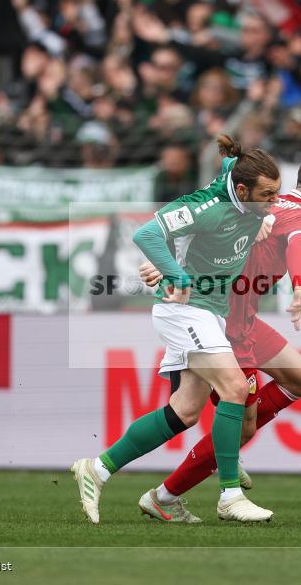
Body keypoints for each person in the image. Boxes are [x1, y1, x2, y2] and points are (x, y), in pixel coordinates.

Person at [136, 144, 301, 522]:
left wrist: (172, 262)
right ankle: (166, 495)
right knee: (240, 423)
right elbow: (300, 243)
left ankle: (226, 454)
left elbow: (217, 223)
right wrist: (300, 283)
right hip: (227, 316)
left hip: (242, 312)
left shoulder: (272, 203)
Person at [71, 134, 282, 524]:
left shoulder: (243, 194)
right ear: (241, 190)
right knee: (235, 388)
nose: (274, 201)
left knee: (185, 411)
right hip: (186, 311)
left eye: (276, 193)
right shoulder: (205, 207)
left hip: (210, 313)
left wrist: (264, 215)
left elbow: (232, 171)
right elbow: (146, 234)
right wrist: (174, 273)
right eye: (267, 195)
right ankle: (230, 495)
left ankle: (96, 470)